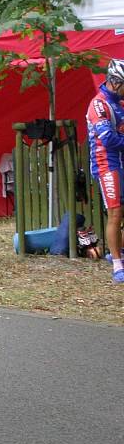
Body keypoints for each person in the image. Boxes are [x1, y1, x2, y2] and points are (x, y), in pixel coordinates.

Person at [86, 58, 124, 284]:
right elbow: (108, 138)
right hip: (106, 163)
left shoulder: (119, 102)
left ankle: (119, 253)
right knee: (115, 213)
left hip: (120, 160)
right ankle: (117, 264)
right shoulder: (99, 104)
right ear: (116, 82)